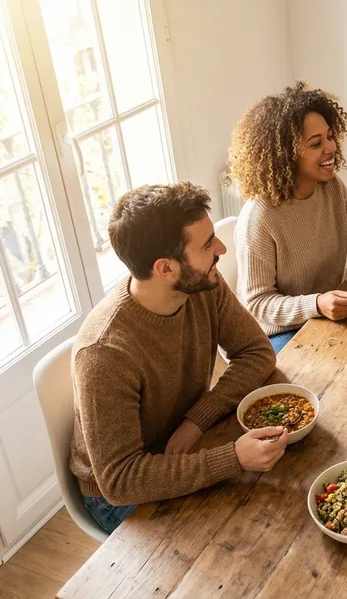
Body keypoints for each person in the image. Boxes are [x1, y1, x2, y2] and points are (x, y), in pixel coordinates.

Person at [70, 183, 286, 534]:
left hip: (187, 443)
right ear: (166, 268)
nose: (221, 249)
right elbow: (120, 480)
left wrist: (197, 420)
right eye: (207, 245)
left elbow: (257, 352)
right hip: (122, 496)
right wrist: (232, 458)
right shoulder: (104, 354)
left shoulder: (200, 285)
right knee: (247, 535)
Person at [231, 82, 347, 353]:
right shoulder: (259, 217)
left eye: (330, 136)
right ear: (286, 154)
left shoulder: (330, 187)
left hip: (327, 317)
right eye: (316, 143)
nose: (331, 148)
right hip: (278, 333)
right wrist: (316, 304)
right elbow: (258, 303)